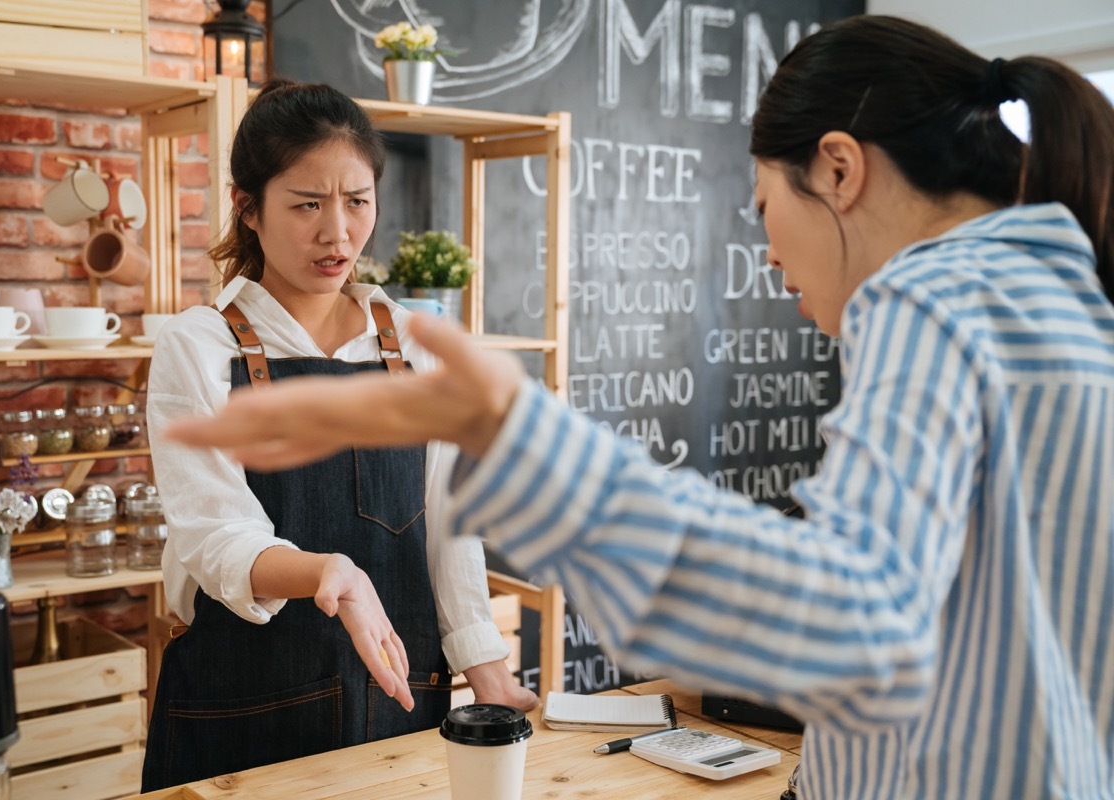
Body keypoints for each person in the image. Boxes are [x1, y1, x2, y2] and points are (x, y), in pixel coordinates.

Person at [163, 16, 1114, 800]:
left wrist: (526, 442)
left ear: (838, 170)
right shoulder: (1064, 302)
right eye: (304, 206)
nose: (771, 256)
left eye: (760, 207)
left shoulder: (932, 303)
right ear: (251, 208)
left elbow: (849, 621)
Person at [140, 79, 535, 792]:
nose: (338, 234)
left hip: (400, 705)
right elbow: (214, 534)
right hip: (242, 717)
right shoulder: (196, 347)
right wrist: (330, 574)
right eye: (307, 205)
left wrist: (490, 672)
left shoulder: (419, 345)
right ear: (247, 207)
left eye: (357, 202)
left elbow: (450, 525)